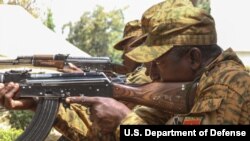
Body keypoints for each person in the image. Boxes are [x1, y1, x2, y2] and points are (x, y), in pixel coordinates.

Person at [65, 0, 250, 137]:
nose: (151, 73)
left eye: (158, 63)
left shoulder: (228, 85)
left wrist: (124, 120)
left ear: (194, 58)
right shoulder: (185, 91)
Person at [0, 20, 152, 141]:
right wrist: (38, 102)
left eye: (134, 45)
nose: (126, 54)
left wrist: (123, 120)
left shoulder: (150, 83)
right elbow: (98, 136)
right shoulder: (147, 84)